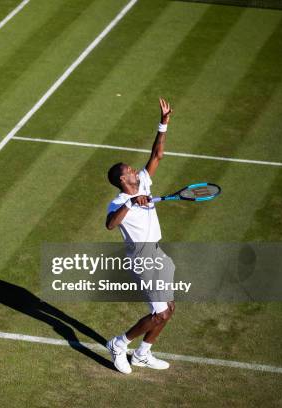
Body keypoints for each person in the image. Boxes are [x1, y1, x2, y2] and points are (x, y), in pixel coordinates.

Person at [104, 98, 175, 374]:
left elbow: (157, 155)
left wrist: (164, 123)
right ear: (123, 180)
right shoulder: (118, 202)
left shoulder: (144, 181)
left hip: (157, 253)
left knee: (168, 309)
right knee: (159, 312)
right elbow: (110, 225)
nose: (135, 170)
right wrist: (132, 203)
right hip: (142, 258)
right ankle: (119, 344)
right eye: (130, 170)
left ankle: (143, 354)